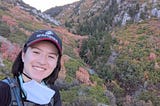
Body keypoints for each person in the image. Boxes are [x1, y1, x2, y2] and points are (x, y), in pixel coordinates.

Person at [0, 29, 62, 106]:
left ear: (56, 63)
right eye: (36, 52)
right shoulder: (3, 90)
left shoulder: (53, 94)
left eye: (51, 56)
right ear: (23, 55)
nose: (42, 61)